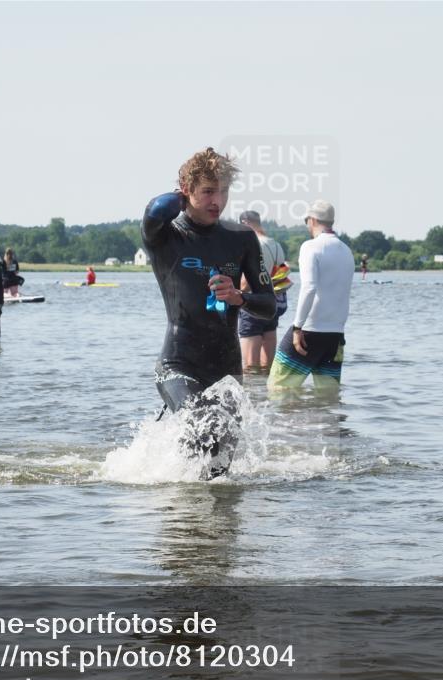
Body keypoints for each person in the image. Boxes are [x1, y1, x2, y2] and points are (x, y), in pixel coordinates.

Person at [141, 147, 276, 476]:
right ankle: (183, 512)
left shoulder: (241, 238)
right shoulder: (166, 236)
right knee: (206, 427)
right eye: (208, 191)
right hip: (178, 365)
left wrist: (239, 298)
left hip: (226, 369)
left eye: (225, 191)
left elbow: (268, 305)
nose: (218, 201)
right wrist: (181, 192)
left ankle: (203, 520)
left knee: (219, 467)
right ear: (187, 190)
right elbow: (155, 210)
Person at [268, 200, 353, 391]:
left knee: (278, 389)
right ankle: (324, 422)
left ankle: (284, 422)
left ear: (312, 220)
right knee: (328, 395)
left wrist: (297, 327)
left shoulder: (310, 247)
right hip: (335, 335)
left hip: (309, 331)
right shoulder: (347, 251)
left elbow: (310, 287)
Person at [237, 210, 288, 370]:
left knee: (250, 367)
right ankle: (267, 395)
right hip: (272, 304)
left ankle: (254, 395)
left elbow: (247, 281)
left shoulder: (253, 243)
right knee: (268, 366)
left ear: (245, 223)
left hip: (252, 305)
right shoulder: (275, 245)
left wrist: (235, 296)